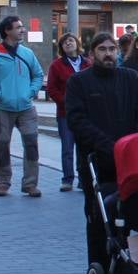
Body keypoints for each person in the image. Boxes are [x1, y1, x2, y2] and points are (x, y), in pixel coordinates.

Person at [64, 33, 138, 268]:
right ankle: (99, 267)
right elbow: (77, 120)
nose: (108, 54)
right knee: (97, 216)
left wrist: (133, 144)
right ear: (92, 53)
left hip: (131, 161)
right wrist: (109, 146)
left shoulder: (130, 78)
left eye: (112, 49)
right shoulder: (79, 82)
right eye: (102, 49)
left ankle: (134, 262)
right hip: (96, 162)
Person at [0, 14, 44, 197]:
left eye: (22, 27)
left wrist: (31, 92)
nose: (22, 30)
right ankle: (3, 182)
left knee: (31, 145)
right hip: (1, 109)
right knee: (1, 145)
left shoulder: (27, 53)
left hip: (26, 108)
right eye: (18, 27)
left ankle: (30, 184)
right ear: (7, 31)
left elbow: (38, 75)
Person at [46, 33, 88, 192]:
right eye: (65, 43)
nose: (68, 44)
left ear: (77, 44)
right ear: (61, 48)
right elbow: (52, 88)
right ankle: (67, 179)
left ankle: (84, 179)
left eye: (71, 41)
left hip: (85, 114)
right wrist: (66, 102)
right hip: (66, 113)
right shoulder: (56, 65)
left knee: (84, 147)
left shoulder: (87, 63)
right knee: (67, 147)